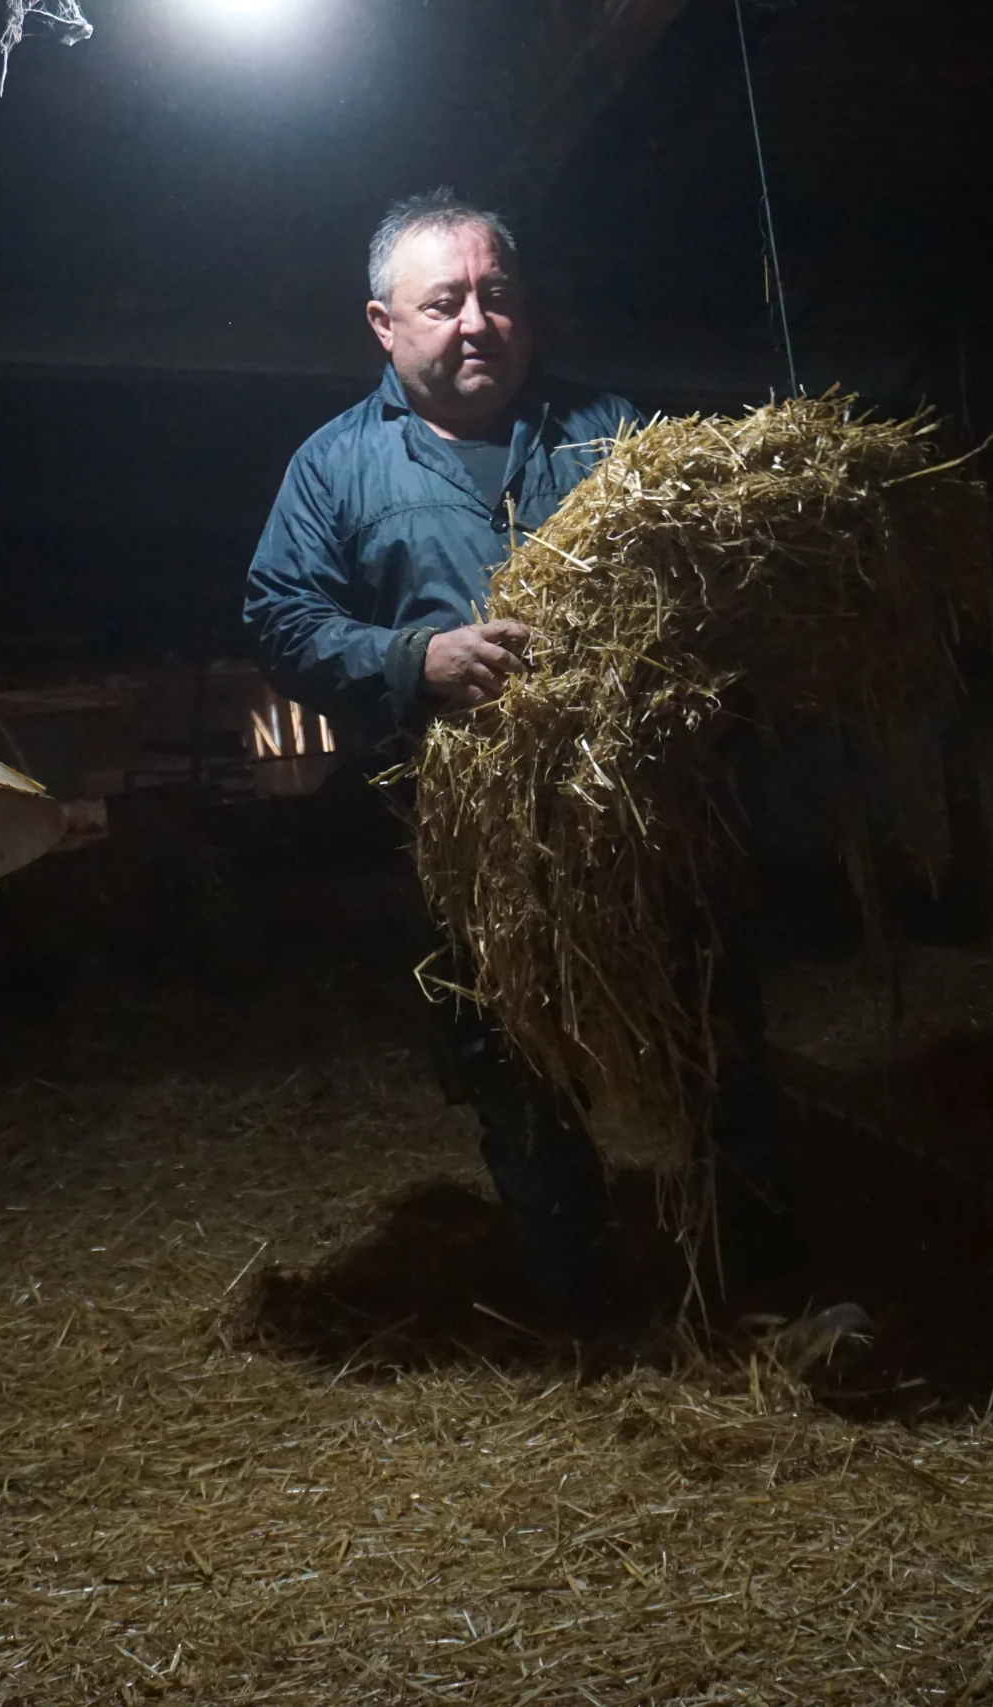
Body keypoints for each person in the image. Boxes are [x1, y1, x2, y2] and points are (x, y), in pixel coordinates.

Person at [243, 190, 798, 1333]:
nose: (474, 322)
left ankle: (763, 1301)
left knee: (714, 1040)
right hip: (470, 835)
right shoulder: (334, 469)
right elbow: (281, 617)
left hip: (643, 815)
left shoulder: (612, 434)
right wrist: (414, 658)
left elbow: (705, 589)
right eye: (441, 302)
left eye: (495, 296)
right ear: (382, 325)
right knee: (515, 1069)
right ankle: (592, 1318)